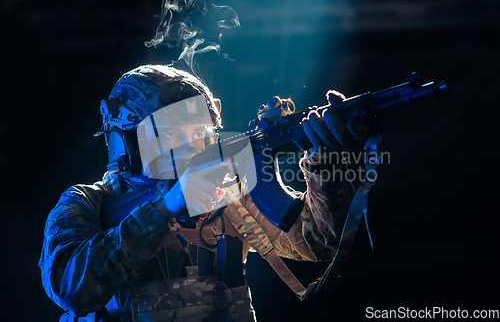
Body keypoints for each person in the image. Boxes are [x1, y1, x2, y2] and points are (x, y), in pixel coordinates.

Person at [39, 64, 363, 322]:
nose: (191, 146)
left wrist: (325, 167)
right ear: (126, 143)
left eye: (199, 133)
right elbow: (72, 289)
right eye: (171, 135)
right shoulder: (87, 203)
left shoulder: (227, 191)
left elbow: (317, 242)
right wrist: (166, 209)